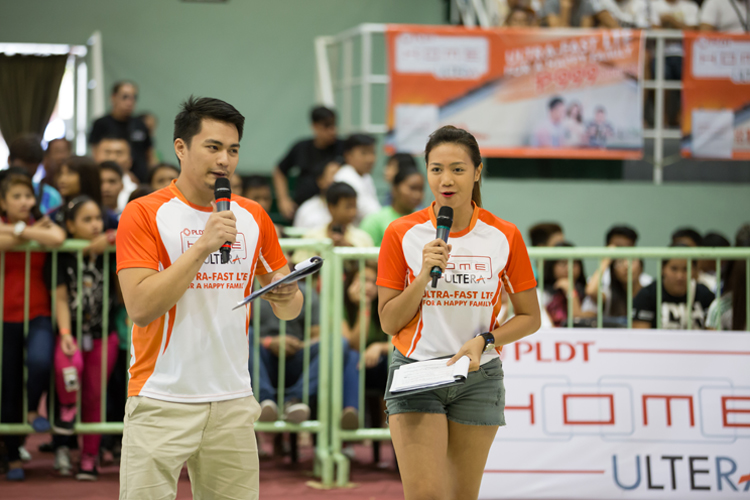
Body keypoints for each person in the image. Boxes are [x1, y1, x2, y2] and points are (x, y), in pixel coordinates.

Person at [116, 96, 302, 500]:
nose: (225, 160)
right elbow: (142, 306)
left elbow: (291, 309)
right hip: (161, 397)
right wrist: (202, 246)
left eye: (233, 150)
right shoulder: (144, 213)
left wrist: (287, 291)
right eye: (213, 147)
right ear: (181, 148)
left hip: (233, 400)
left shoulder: (253, 215)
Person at [377, 125, 541, 500]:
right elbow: (388, 321)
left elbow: (530, 317)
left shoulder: (505, 235)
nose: (446, 180)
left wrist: (484, 341)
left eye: (457, 169)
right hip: (417, 372)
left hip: (478, 376)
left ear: (478, 171)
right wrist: (421, 277)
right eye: (436, 169)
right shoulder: (401, 233)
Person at [0, 172, 66, 481]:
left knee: (40, 362)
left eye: (28, 196)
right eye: (16, 196)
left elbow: (58, 238)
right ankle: (13, 455)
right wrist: (28, 232)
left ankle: (31, 410)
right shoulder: (31, 227)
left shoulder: (45, 223)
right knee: (8, 384)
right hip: (4, 316)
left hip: (38, 311)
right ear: (3, 201)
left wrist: (18, 231)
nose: (25, 201)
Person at [50, 196, 119, 481]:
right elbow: (61, 297)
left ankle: (89, 458)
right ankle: (67, 407)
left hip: (104, 335)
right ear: (70, 225)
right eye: (86, 220)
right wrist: (66, 333)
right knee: (68, 365)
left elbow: (136, 231)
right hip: (73, 333)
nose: (94, 225)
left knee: (94, 396)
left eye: (97, 219)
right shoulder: (63, 253)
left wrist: (113, 235)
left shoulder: (111, 248)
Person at [273, 106, 343, 220]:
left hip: (330, 210)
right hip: (302, 209)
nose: (332, 131)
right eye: (327, 126)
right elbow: (279, 171)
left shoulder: (342, 148)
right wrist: (283, 199)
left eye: (334, 125)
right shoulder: (301, 147)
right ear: (315, 126)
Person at [632, 245, 715, 329]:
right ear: (663, 269)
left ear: (695, 270)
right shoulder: (647, 295)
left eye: (686, 269)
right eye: (674, 269)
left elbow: (714, 334)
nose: (680, 276)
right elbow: (641, 337)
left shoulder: (704, 294)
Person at [292, 182, 374, 264]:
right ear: (331, 207)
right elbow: (299, 268)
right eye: (348, 207)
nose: (353, 212)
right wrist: (320, 256)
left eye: (354, 206)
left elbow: (372, 268)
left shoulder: (363, 238)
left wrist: (352, 252)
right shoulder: (311, 237)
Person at [88, 81, 153, 182]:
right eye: (125, 97)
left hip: (140, 181)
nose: (129, 102)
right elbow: (96, 155)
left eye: (133, 98)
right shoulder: (101, 123)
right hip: (111, 179)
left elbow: (149, 155)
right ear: (113, 98)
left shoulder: (140, 124)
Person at [361, 166, 425, 246]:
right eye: (412, 188)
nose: (417, 195)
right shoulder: (374, 220)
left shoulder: (425, 221)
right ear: (395, 188)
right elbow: (363, 255)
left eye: (421, 189)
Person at [7, 134, 63, 215]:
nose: (24, 175)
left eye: (30, 171)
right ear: (9, 160)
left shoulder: (51, 196)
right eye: (21, 169)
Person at [333, 133, 380, 224]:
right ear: (348, 155)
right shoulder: (345, 177)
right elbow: (370, 214)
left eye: (373, 152)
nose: (370, 159)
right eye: (364, 153)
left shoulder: (366, 177)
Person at [542, 242, 588, 327]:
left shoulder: (587, 291)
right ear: (552, 266)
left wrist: (570, 291)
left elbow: (578, 321)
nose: (569, 268)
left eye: (574, 263)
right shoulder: (542, 293)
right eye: (563, 263)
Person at [93, 136, 138, 210]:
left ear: (130, 161)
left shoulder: (136, 193)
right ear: (96, 157)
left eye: (119, 153)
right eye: (107, 152)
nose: (113, 158)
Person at [292, 161, 338, 230]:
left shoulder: (351, 210)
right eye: (333, 174)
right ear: (320, 180)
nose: (337, 178)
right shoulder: (306, 209)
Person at [540, 0, 620, 26]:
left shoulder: (586, 4)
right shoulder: (551, 3)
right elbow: (557, 34)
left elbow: (584, 34)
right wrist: (565, 8)